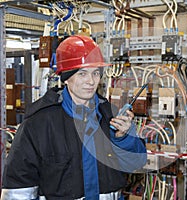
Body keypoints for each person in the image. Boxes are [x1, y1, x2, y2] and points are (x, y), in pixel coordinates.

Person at [1, 35, 147, 200]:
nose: (91, 81)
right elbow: (18, 191)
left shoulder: (111, 116)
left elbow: (136, 164)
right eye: (82, 74)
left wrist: (124, 138)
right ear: (66, 77)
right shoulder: (39, 123)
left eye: (95, 73)